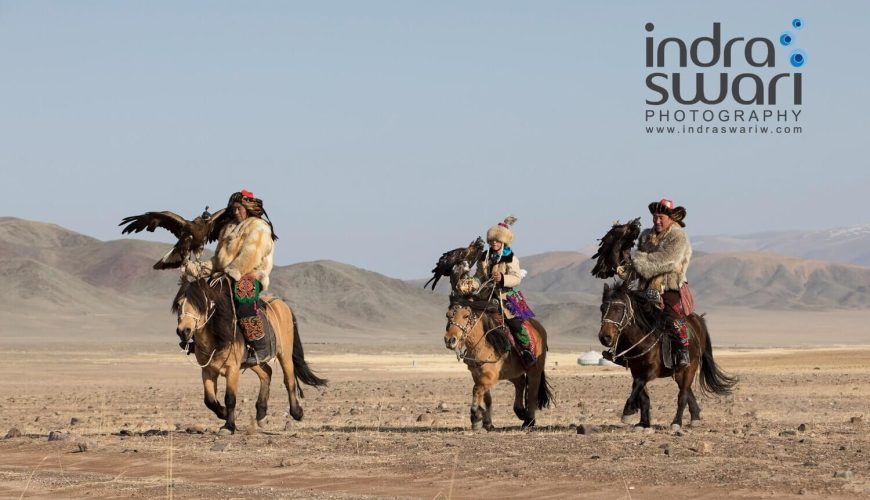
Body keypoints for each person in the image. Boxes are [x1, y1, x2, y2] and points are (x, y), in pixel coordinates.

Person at [185, 189, 277, 361]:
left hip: (251, 275)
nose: (236, 212)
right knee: (198, 294)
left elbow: (250, 256)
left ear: (248, 208)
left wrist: (232, 272)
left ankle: (259, 346)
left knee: (243, 298)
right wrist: (195, 268)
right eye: (233, 209)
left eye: (239, 208)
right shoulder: (228, 228)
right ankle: (201, 342)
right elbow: (219, 260)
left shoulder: (259, 227)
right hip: (226, 275)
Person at [629, 198, 693, 368]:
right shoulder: (645, 236)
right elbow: (639, 260)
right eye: (655, 217)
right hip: (646, 285)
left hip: (670, 284)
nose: (657, 221)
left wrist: (640, 260)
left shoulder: (678, 237)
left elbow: (665, 261)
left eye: (661, 217)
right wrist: (627, 269)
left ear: (671, 218)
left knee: (672, 316)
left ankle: (682, 350)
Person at [473, 216, 537, 367]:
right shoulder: (484, 257)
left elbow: (516, 278)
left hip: (507, 297)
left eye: (497, 240)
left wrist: (502, 278)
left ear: (503, 241)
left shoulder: (510, 257)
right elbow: (479, 276)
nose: (494, 242)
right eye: (492, 240)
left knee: (514, 324)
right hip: (487, 296)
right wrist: (472, 283)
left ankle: (526, 351)